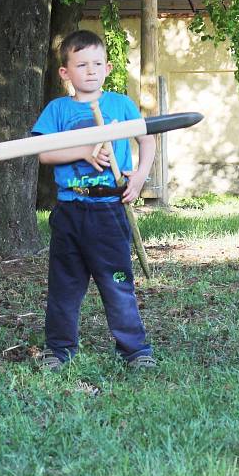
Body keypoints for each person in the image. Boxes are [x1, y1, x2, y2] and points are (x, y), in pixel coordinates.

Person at [32, 29, 156, 370]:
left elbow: (147, 141)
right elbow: (43, 153)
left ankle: (135, 350)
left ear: (108, 67)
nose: (90, 70)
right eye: (82, 64)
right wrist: (86, 152)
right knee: (65, 285)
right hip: (71, 206)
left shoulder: (120, 105)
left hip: (109, 209)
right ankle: (58, 350)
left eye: (97, 63)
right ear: (65, 72)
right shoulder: (57, 109)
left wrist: (141, 175)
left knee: (117, 282)